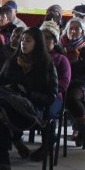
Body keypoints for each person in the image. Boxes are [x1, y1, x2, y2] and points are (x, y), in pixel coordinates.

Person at [0, 27, 58, 170]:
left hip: (31, 113)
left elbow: (50, 97)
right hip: (7, 109)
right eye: (22, 39)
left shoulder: (46, 65)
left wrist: (27, 94)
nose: (23, 43)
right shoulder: (12, 62)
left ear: (37, 44)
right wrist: (11, 90)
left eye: (28, 40)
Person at [33, 21, 72, 161]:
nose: (44, 40)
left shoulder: (61, 60)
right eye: (42, 37)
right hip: (34, 94)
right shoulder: (32, 57)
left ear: (55, 41)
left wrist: (48, 90)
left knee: (47, 110)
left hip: (54, 96)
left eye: (48, 37)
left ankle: (47, 144)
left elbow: (64, 82)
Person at [59, 18, 85, 148]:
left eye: (77, 29)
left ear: (83, 32)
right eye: (70, 28)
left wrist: (71, 82)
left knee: (71, 97)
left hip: (80, 84)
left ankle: (81, 126)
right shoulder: (60, 47)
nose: (73, 31)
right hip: (62, 81)